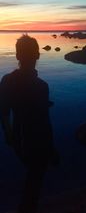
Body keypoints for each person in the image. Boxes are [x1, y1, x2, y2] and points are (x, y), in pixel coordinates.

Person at [0, 34, 57, 213]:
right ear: (38, 55)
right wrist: (51, 147)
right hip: (36, 141)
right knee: (35, 179)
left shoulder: (6, 80)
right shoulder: (42, 86)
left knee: (31, 179)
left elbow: (3, 112)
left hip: (19, 139)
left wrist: (9, 135)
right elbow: (44, 121)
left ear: (17, 56)